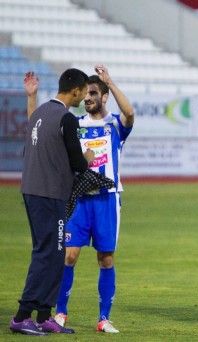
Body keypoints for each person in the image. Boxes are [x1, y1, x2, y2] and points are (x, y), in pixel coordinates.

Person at [24, 65, 134, 333]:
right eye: (86, 94)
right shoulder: (75, 123)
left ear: (104, 96)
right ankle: (60, 313)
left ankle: (103, 318)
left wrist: (111, 80)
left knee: (106, 258)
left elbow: (129, 113)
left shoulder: (114, 126)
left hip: (107, 200)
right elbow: (37, 130)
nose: (87, 98)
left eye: (93, 92)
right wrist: (32, 97)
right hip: (78, 200)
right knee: (68, 256)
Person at [10, 68, 93, 335]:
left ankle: (45, 314)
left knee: (54, 252)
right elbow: (78, 163)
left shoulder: (42, 112)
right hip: (49, 193)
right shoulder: (67, 119)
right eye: (83, 91)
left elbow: (34, 130)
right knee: (48, 252)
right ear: (76, 91)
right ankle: (22, 316)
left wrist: (31, 97)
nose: (83, 96)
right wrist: (89, 157)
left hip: (33, 190)